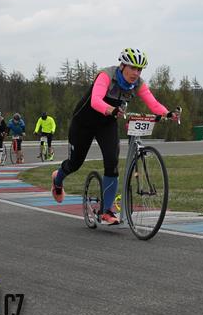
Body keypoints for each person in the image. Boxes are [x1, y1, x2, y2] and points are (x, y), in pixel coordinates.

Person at [50, 48, 179, 225]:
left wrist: (168, 114)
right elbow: (95, 101)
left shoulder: (138, 83)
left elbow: (153, 103)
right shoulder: (106, 76)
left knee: (112, 162)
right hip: (83, 123)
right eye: (132, 68)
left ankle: (106, 210)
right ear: (123, 65)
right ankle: (57, 180)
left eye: (139, 69)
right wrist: (111, 109)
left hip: (106, 124)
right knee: (75, 164)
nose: (136, 73)